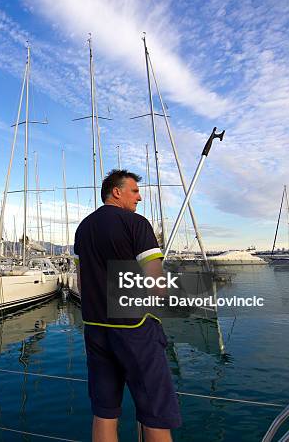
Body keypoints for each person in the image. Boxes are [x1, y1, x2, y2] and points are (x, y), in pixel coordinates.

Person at [74, 169, 181, 442]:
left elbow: (82, 284)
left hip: (96, 328)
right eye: (134, 191)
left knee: (105, 413)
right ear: (117, 191)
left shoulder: (83, 228)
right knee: (155, 414)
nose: (140, 198)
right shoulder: (136, 224)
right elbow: (157, 284)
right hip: (136, 328)